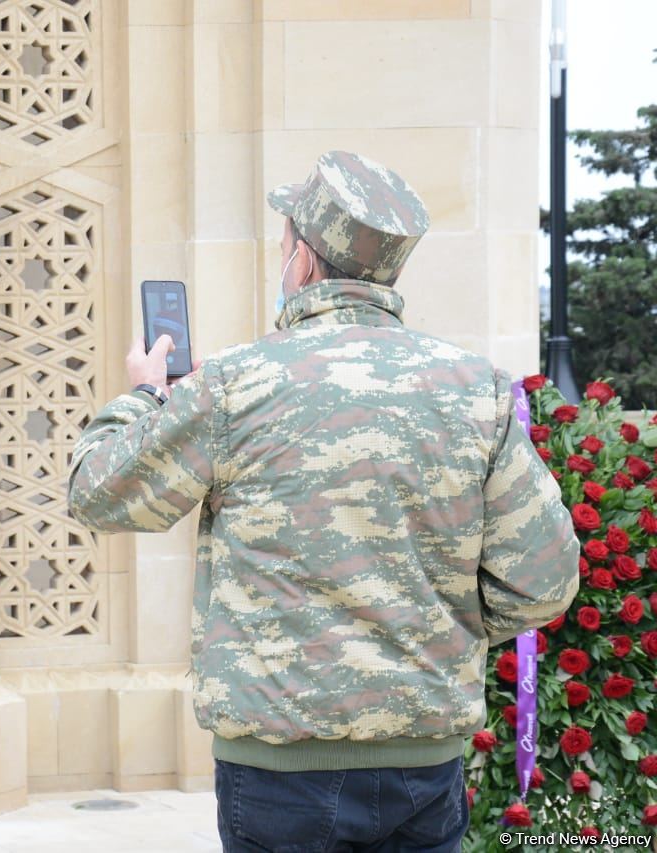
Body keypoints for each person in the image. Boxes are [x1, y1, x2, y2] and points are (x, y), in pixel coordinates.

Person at [66, 150, 580, 852]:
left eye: (285, 240)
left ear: (303, 260)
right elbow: (544, 579)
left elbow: (97, 492)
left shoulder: (236, 384)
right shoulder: (476, 390)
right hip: (423, 767)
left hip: (278, 776)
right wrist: (441, 626)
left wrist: (147, 395)